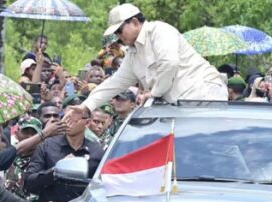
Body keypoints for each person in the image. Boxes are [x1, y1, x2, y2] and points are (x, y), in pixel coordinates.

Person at [66, 3, 227, 121]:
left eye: (120, 30)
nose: (119, 36)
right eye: (116, 33)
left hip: (205, 93)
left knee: (217, 148)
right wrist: (86, 106)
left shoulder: (160, 30)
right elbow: (113, 84)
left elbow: (169, 63)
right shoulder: (133, 54)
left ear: (135, 22)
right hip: (183, 107)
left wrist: (154, 93)